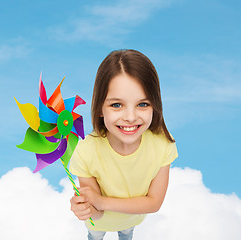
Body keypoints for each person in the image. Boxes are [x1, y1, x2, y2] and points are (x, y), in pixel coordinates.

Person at [69, 49, 178, 240]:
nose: (130, 117)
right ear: (100, 108)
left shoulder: (163, 145)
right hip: (99, 223)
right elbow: (98, 213)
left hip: (133, 220)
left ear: (155, 104)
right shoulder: (85, 151)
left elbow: (154, 203)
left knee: (127, 232)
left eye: (143, 104)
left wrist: (101, 201)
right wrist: (87, 208)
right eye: (116, 105)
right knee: (95, 234)